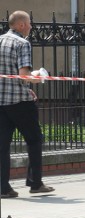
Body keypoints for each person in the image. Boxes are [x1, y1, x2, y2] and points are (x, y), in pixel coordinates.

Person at [0, 11, 55, 197]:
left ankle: (3, 188)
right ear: (21, 24)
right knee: (34, 139)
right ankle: (35, 183)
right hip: (20, 103)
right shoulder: (22, 43)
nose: (31, 27)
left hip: (1, 102)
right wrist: (39, 78)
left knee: (2, 145)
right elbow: (24, 75)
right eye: (29, 23)